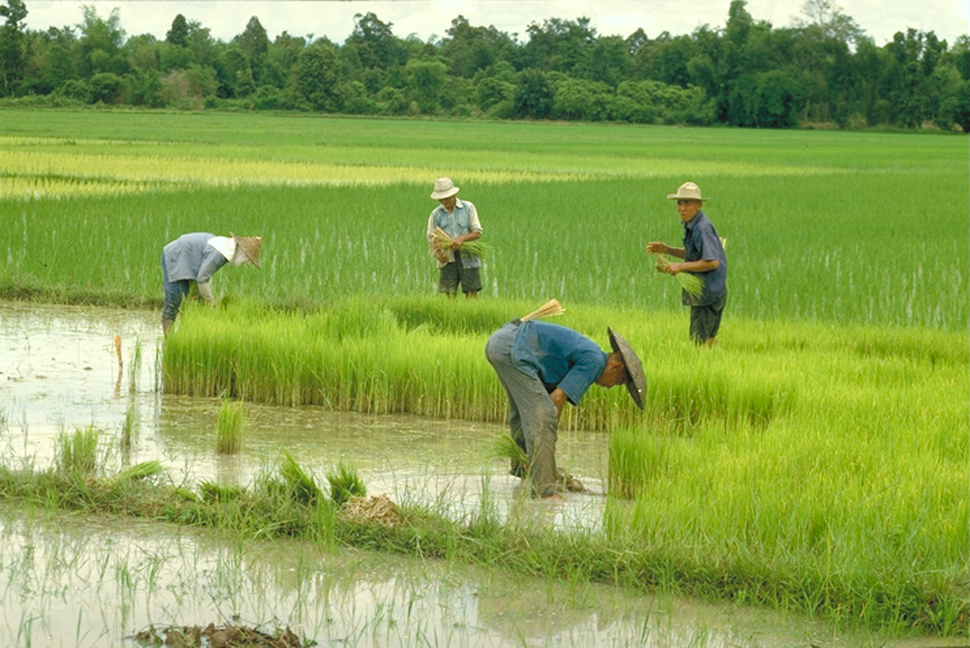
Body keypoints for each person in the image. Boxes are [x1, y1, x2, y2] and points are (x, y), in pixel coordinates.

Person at [485, 319, 645, 499]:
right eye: (619, 381)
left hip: (500, 343)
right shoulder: (595, 361)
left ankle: (523, 467)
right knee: (543, 415)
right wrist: (549, 431)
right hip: (513, 349)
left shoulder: (590, 353)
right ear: (616, 367)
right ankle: (545, 491)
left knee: (524, 411)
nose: (610, 387)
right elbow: (557, 399)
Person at [646, 182, 727, 345]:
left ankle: (704, 368)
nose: (682, 208)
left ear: (699, 205)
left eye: (687, 203)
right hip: (712, 291)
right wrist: (667, 249)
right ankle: (714, 363)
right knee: (708, 339)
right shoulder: (693, 225)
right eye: (679, 203)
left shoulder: (702, 228)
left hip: (708, 293)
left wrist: (680, 266)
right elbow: (695, 254)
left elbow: (712, 262)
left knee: (699, 341)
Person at [161, 232, 262, 336]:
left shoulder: (225, 250)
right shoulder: (219, 253)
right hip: (176, 255)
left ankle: (185, 336)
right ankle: (169, 341)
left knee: (193, 303)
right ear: (242, 253)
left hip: (191, 262)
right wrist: (212, 303)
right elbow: (202, 279)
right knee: (174, 299)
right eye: (246, 259)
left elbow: (201, 275)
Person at [427, 177, 483, 298]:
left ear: (454, 195)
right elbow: (431, 239)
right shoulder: (436, 214)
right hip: (448, 259)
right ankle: (452, 315)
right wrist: (438, 255)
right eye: (441, 199)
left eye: (447, 198)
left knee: (471, 293)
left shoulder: (468, 208)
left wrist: (462, 239)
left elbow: (477, 232)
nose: (445, 201)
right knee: (449, 293)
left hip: (468, 258)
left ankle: (471, 315)